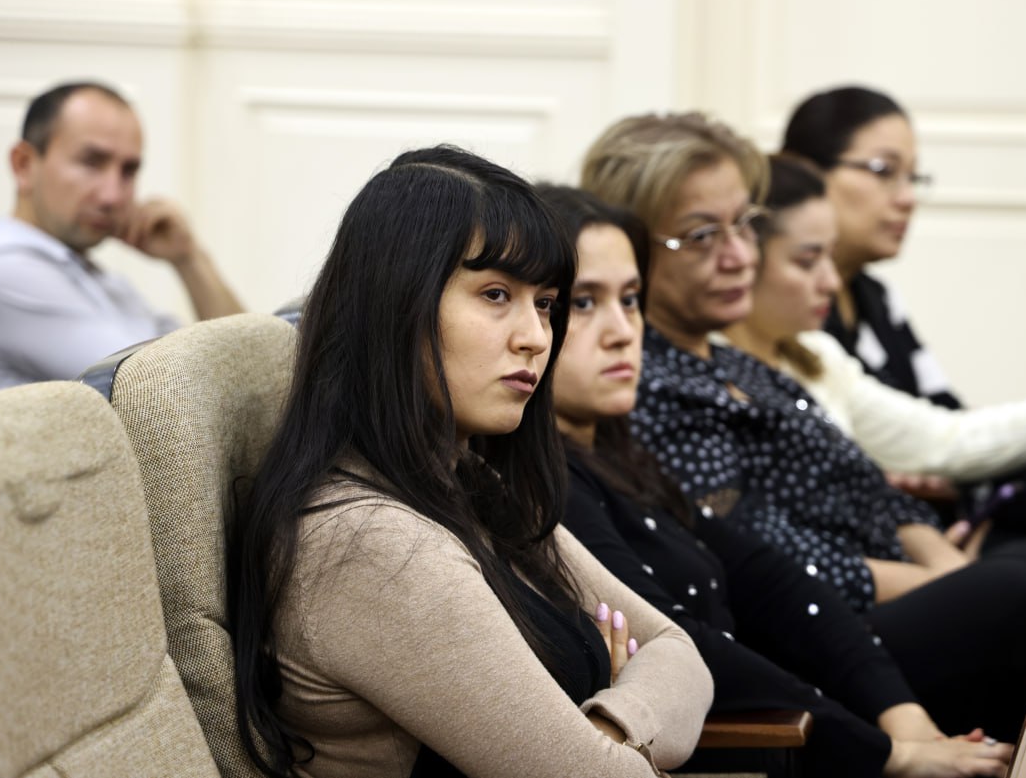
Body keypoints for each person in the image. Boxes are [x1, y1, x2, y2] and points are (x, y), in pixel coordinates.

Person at [579, 111, 1026, 740]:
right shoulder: (644, 385)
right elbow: (764, 553)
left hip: (875, 593)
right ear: (632, 245)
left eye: (745, 225)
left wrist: (937, 552)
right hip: (817, 634)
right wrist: (946, 579)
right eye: (702, 235)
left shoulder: (732, 357)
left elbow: (862, 480)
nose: (737, 256)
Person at [229, 146, 712, 778]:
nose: (536, 336)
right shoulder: (368, 543)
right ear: (395, 304)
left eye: (543, 302)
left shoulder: (458, 479)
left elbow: (679, 654)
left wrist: (608, 727)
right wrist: (612, 728)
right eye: (494, 294)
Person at [540, 182, 1012, 777]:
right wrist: (888, 754)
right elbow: (683, 643)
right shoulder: (548, 484)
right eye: (583, 303)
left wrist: (902, 717)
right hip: (742, 744)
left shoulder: (617, 449)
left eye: (631, 299)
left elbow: (768, 578)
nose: (621, 330)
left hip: (794, 699)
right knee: (1018, 594)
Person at [723, 153, 1026, 547]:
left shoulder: (816, 353)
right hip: (843, 585)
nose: (830, 280)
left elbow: (945, 438)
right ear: (745, 258)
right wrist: (929, 561)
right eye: (807, 261)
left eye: (829, 256)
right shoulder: (716, 375)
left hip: (888, 553)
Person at [0, 81, 243, 396]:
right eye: (91, 162)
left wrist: (188, 258)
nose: (113, 195)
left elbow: (246, 358)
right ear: (24, 164)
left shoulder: (89, 273)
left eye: (128, 170)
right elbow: (169, 392)